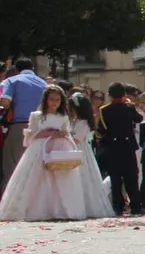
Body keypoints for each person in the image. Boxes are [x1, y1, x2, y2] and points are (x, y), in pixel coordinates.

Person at [0, 85, 93, 221]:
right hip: (40, 149)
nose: (54, 102)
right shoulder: (37, 116)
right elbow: (30, 136)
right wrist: (47, 133)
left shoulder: (63, 117)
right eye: (52, 99)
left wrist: (63, 134)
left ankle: (61, 209)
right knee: (37, 177)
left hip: (60, 148)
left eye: (58, 100)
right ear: (46, 100)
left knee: (60, 177)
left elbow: (67, 133)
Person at [0, 57, 47, 195]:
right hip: (41, 127)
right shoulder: (44, 83)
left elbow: (6, 102)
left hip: (19, 127)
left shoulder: (12, 81)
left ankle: (10, 199)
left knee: (12, 166)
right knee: (34, 167)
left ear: (16, 69)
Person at [97, 81, 144, 216]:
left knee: (116, 178)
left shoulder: (104, 110)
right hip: (128, 146)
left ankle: (118, 206)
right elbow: (139, 119)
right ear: (124, 94)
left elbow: (101, 129)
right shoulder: (129, 107)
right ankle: (136, 206)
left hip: (112, 147)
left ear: (109, 96)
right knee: (131, 177)